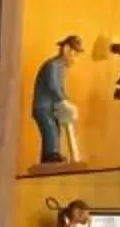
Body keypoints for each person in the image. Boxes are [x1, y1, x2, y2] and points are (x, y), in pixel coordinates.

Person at [33, 36, 85, 164]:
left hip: (51, 107)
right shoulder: (53, 65)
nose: (75, 59)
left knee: (55, 129)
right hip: (43, 107)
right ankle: (51, 155)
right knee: (50, 128)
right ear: (66, 49)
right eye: (75, 54)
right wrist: (63, 100)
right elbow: (53, 86)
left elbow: (60, 88)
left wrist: (65, 99)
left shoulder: (61, 67)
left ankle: (50, 155)